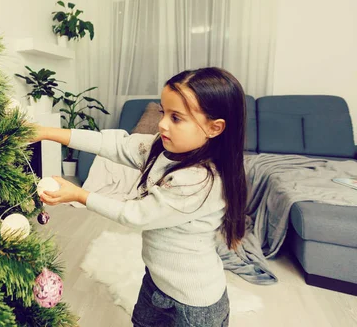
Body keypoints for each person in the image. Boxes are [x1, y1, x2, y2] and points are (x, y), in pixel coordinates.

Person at [30, 67, 248, 327]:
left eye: (176, 118)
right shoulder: (161, 148)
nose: (163, 124)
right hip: (156, 282)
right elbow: (112, 144)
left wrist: (78, 194)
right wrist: (45, 132)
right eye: (163, 113)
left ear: (214, 128)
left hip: (193, 305)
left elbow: (136, 215)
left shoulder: (200, 180)